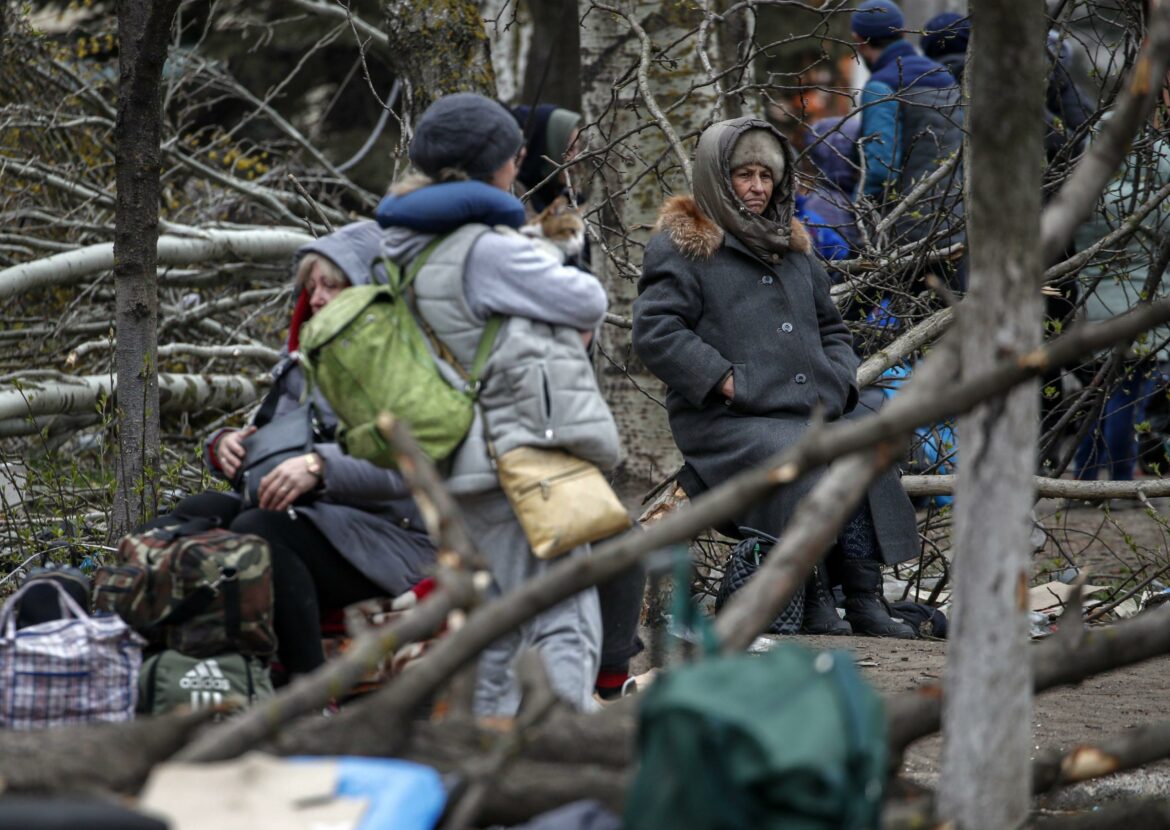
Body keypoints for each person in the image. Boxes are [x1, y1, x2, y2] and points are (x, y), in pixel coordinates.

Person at [377, 93, 619, 714]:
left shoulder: (403, 245)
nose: (519, 168)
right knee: (563, 610)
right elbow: (587, 302)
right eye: (512, 158)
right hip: (518, 457)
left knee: (492, 623)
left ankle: (487, 748)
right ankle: (562, 753)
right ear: (495, 166)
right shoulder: (485, 248)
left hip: (454, 459)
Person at [633, 116, 920, 638]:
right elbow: (655, 333)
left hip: (806, 407)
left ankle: (863, 599)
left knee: (865, 451)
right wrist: (725, 381)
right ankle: (806, 598)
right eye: (745, 175)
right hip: (726, 420)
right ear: (719, 176)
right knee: (801, 459)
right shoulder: (682, 245)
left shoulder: (793, 248)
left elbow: (834, 330)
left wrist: (837, 382)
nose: (758, 188)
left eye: (768, 176)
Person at [157, 221, 437, 681]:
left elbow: (409, 467)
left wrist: (320, 467)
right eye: (312, 286)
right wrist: (224, 445)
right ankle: (185, 672)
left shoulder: (402, 366)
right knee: (194, 511)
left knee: (260, 527)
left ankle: (309, 692)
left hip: (391, 536)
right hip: (317, 517)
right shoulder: (303, 365)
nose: (319, 297)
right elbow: (269, 438)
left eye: (332, 284)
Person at [851, 0, 966, 290]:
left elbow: (881, 170)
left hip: (910, 237)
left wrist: (855, 217)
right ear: (902, 33)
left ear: (860, 41)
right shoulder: (944, 78)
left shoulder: (881, 86)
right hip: (957, 227)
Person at [510, 104, 583, 214]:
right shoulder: (516, 193)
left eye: (578, 149)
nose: (577, 157)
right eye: (570, 149)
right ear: (552, 146)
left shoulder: (549, 192)